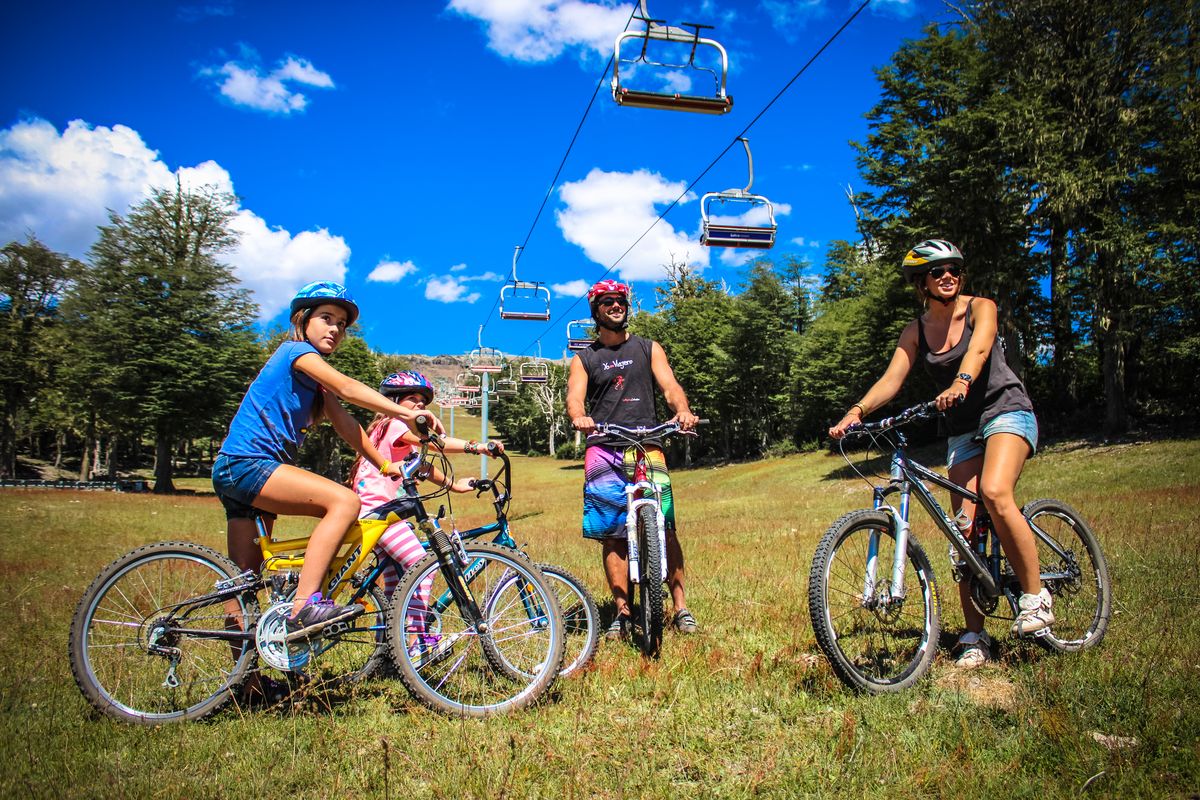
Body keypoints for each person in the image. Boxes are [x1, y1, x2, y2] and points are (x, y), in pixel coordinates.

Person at [828, 239, 1052, 668]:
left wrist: (961, 382)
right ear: (922, 282)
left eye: (953, 269)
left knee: (995, 492)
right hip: (962, 430)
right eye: (937, 271)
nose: (948, 276)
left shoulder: (980, 307)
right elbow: (892, 378)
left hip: (1006, 411)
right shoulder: (915, 330)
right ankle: (975, 635)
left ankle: (1035, 598)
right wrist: (857, 412)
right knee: (963, 532)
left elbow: (980, 348)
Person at [212, 281, 444, 642]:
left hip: (240, 471)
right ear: (302, 320)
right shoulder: (296, 352)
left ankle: (247, 673)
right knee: (345, 502)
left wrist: (385, 466)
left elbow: (348, 426)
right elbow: (348, 388)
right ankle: (304, 606)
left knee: (245, 582)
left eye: (341, 324)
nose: (335, 328)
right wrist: (406, 413)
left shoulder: (314, 381)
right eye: (326, 318)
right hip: (248, 463)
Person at [566, 278, 700, 641]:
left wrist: (682, 410)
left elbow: (670, 387)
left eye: (621, 301)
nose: (616, 306)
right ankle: (623, 613)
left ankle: (680, 607)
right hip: (603, 446)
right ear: (595, 311)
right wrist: (580, 416)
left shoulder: (648, 348)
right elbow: (575, 398)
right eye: (607, 302)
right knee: (613, 534)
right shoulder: (584, 358)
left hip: (647, 442)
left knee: (664, 525)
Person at [348, 370, 503, 600]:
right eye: (412, 399)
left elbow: (423, 467)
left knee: (396, 582)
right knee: (423, 567)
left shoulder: (389, 430)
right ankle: (415, 626)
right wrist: (478, 447)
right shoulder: (395, 424)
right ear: (393, 402)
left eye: (423, 401)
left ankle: (391, 624)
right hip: (380, 512)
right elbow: (434, 444)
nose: (419, 405)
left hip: (378, 513)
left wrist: (455, 486)